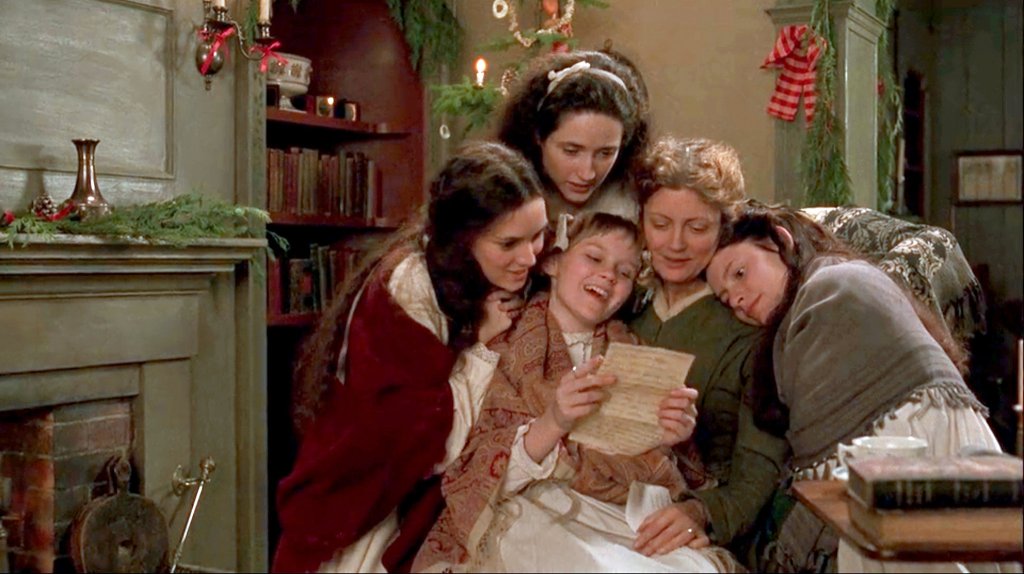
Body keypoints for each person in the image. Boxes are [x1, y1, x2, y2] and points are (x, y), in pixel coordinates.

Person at [271, 142, 549, 573]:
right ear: (463, 239)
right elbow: (411, 433)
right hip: (368, 497)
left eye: (538, 236)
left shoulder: (491, 272)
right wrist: (479, 345)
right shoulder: (405, 289)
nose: (529, 257)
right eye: (509, 242)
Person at [412, 212, 739, 573]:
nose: (608, 275)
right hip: (535, 508)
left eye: (625, 272)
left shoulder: (634, 353)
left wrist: (671, 436)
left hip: (617, 513)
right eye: (594, 258)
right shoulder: (501, 344)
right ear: (554, 262)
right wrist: (554, 421)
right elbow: (470, 468)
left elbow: (669, 472)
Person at [706, 201, 1001, 573]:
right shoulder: (792, 328)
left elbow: (845, 452)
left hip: (917, 453)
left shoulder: (832, 289)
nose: (737, 298)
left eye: (740, 273)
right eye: (725, 298)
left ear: (781, 242)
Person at [627, 136, 790, 559]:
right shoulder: (624, 304)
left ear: (724, 227)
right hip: (607, 501)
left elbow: (759, 468)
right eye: (660, 224)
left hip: (697, 523)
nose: (675, 244)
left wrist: (702, 514)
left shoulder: (748, 323)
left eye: (697, 228)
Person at [497, 49, 650, 227]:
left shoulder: (641, 208)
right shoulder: (497, 206)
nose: (587, 174)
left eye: (605, 153)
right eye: (571, 151)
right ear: (538, 135)